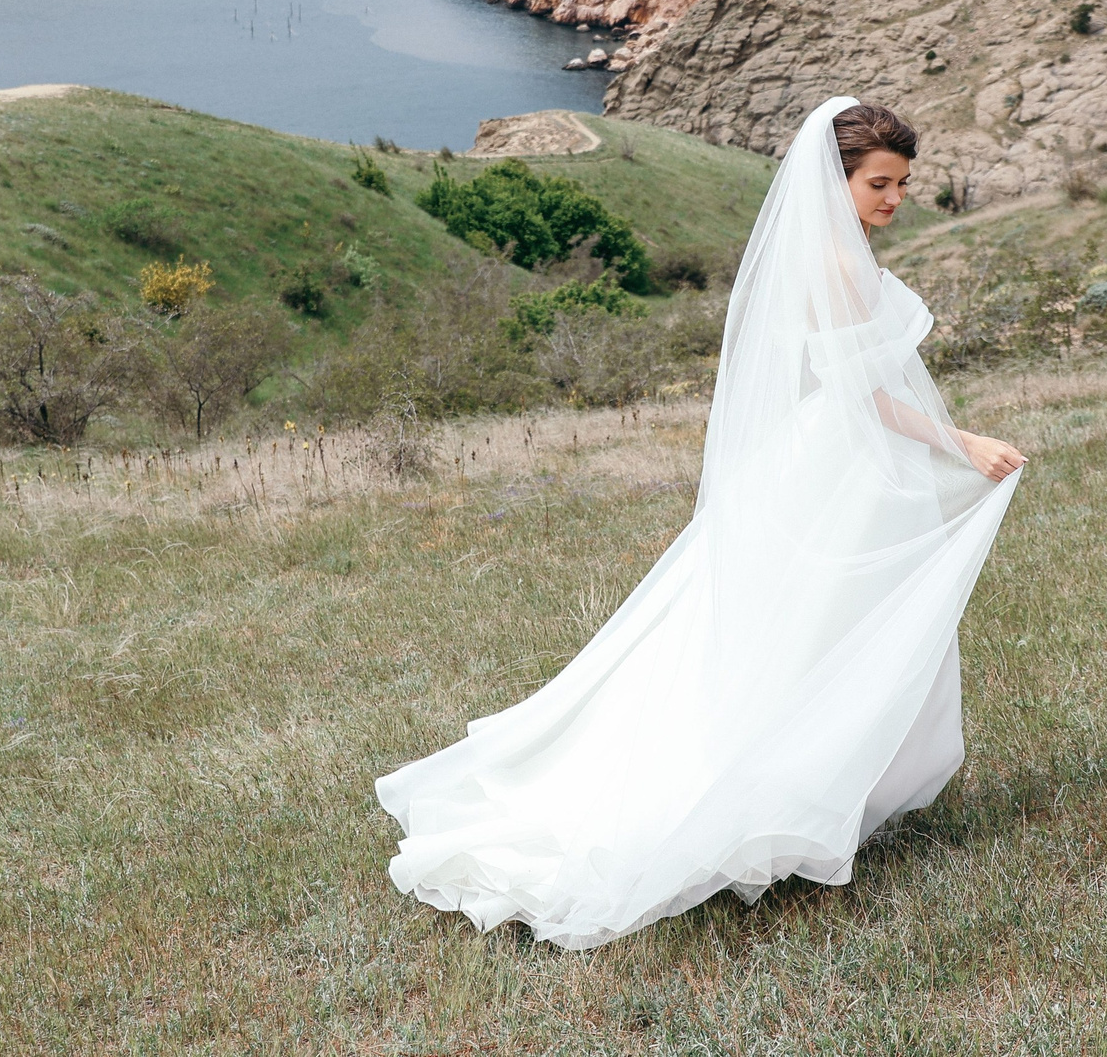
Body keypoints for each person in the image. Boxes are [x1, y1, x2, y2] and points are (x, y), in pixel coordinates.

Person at [376, 97, 1027, 949]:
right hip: (836, 461)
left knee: (818, 634)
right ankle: (755, 808)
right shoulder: (835, 260)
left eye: (903, 183)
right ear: (836, 181)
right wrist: (962, 440)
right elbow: (867, 394)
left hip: (829, 458)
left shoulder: (836, 250)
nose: (894, 198)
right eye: (880, 182)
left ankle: (809, 800)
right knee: (805, 636)